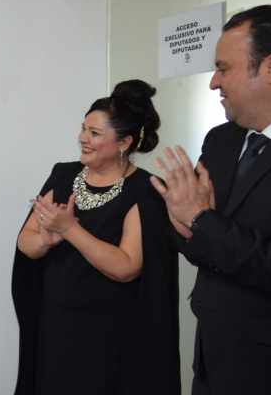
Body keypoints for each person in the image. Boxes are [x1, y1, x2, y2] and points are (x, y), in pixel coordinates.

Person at [151, 5, 271, 395]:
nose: (213, 82)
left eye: (223, 69)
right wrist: (183, 220)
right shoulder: (221, 140)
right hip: (213, 359)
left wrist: (201, 219)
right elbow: (197, 239)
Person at [12, 80, 180, 395]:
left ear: (124, 142)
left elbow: (127, 267)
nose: (82, 138)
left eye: (95, 133)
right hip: (57, 325)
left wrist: (69, 230)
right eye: (83, 129)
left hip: (108, 334)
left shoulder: (146, 191)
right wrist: (44, 242)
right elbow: (26, 241)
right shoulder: (63, 175)